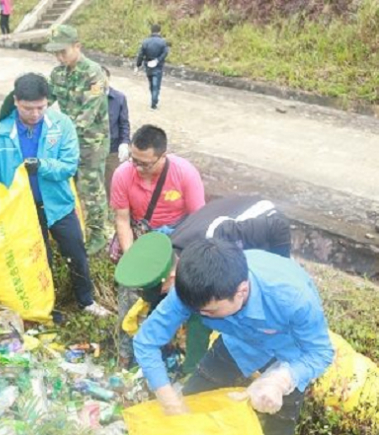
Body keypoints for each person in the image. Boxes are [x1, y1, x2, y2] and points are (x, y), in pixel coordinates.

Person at [134, 238, 334, 435]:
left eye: (210, 311)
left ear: (242, 291)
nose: (202, 315)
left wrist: (282, 380)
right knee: (192, 403)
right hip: (239, 342)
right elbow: (146, 342)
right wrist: (167, 398)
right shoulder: (192, 292)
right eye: (197, 311)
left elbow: (321, 353)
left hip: (290, 351)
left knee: (278, 427)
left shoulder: (292, 299)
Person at [0, 73, 111, 317]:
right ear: (16, 102)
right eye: (28, 108)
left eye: (41, 107)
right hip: (23, 210)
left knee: (76, 252)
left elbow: (68, 165)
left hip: (58, 205)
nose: (35, 114)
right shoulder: (0, 133)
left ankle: (86, 301)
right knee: (36, 259)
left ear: (47, 102)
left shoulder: (62, 126)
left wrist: (41, 165)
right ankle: (45, 307)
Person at [116, 196, 292, 371]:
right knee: (200, 304)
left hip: (264, 226)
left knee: (233, 307)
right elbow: (160, 307)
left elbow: (278, 226)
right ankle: (196, 367)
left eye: (165, 290)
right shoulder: (171, 250)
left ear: (172, 275)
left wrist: (278, 267)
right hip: (223, 223)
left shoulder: (219, 238)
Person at [110, 124, 204, 368]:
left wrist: (176, 266)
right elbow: (122, 220)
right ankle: (125, 356)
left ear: (163, 155)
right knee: (130, 300)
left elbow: (198, 224)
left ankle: (167, 356)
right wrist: (134, 262)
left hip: (177, 243)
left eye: (146, 163)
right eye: (134, 161)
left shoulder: (184, 174)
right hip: (141, 240)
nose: (138, 168)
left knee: (173, 302)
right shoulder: (123, 174)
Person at [46, 25, 110, 256]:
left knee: (90, 189)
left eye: (63, 51)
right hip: (67, 140)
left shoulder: (94, 74)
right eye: (55, 53)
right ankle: (72, 229)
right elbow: (45, 100)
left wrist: (58, 137)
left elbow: (87, 115)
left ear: (77, 46)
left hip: (91, 142)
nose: (59, 57)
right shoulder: (57, 74)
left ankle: (98, 234)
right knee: (65, 186)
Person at [102, 66, 130, 198]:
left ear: (108, 78)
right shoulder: (87, 98)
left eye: (103, 78)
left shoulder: (119, 98)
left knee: (111, 183)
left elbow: (124, 123)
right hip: (90, 150)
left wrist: (124, 142)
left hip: (112, 149)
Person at [135, 24, 169, 110]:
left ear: (151, 31)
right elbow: (165, 53)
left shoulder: (146, 41)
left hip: (148, 64)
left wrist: (138, 65)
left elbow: (141, 54)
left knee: (151, 83)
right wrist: (158, 60)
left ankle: (153, 99)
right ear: (159, 31)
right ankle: (154, 102)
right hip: (158, 65)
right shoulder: (163, 42)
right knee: (156, 84)